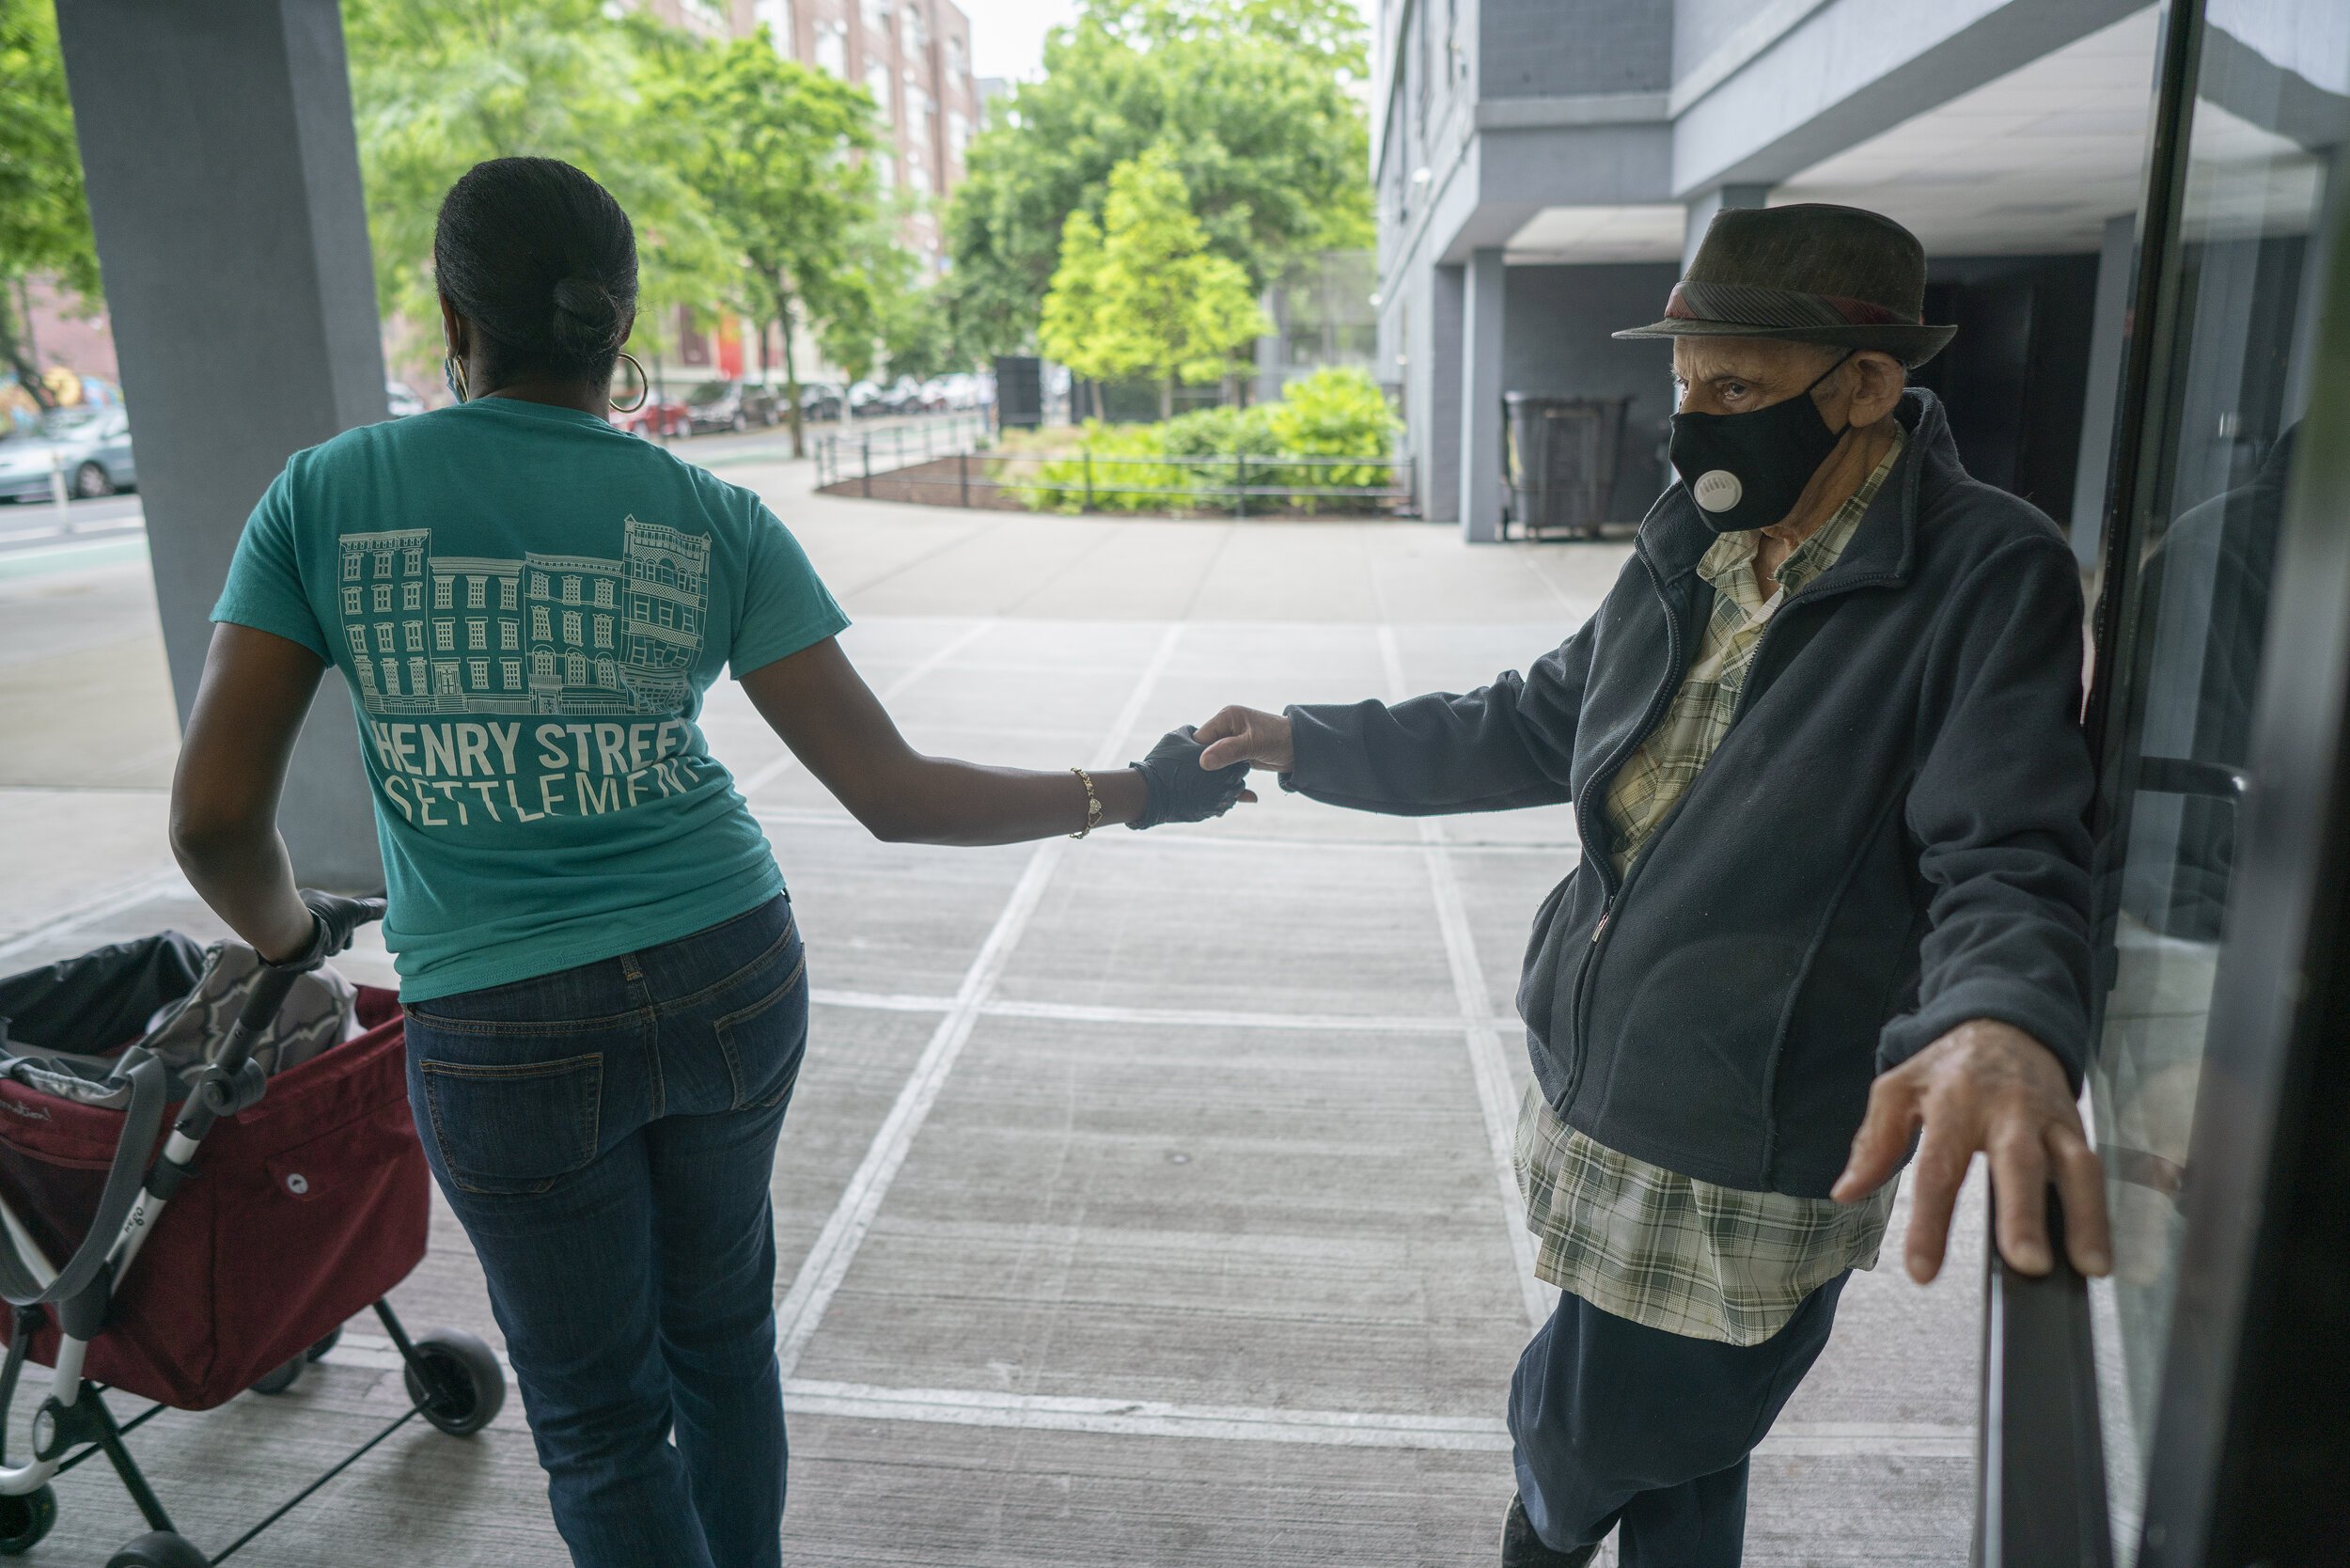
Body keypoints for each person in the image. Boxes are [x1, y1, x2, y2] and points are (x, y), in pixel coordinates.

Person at [166, 156, 1246, 1568]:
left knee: (602, 1422)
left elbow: (212, 821)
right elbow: (895, 792)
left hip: (499, 1026)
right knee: (725, 1342)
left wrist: (288, 936)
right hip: (730, 970)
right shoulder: (713, 516)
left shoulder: (328, 494)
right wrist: (1139, 790)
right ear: (623, 327)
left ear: (452, 309)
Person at [1188, 203, 2111, 1568]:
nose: (1695, 423)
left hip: (1748, 1129)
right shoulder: (1696, 533)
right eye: (1685, 383)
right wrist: (1312, 740)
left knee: (1579, 1447)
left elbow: (2012, 848)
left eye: (1735, 387)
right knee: (1683, 1459)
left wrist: (2001, 1019)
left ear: (1865, 386)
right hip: (1606, 1080)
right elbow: (1542, 717)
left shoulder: (1988, 570)